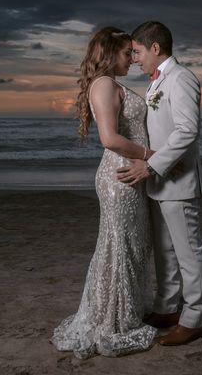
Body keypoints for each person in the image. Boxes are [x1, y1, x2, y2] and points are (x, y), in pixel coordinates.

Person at [51, 27, 157, 359]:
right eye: (127, 53)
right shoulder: (105, 84)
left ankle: (123, 311)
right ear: (110, 53)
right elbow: (110, 139)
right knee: (120, 246)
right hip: (121, 177)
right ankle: (114, 320)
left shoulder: (109, 84)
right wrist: (153, 157)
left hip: (128, 174)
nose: (132, 58)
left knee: (128, 245)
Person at [117, 21, 202, 346]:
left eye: (138, 52)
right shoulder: (157, 82)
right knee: (165, 251)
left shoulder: (181, 78)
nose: (135, 59)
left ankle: (194, 317)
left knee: (188, 252)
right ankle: (168, 307)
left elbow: (187, 130)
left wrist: (150, 165)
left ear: (155, 48)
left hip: (178, 181)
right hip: (160, 181)